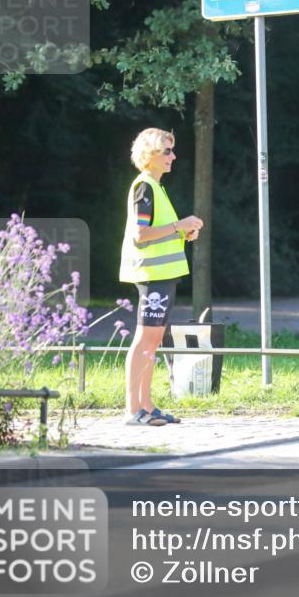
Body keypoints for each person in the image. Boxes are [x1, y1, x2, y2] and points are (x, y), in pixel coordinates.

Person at [119, 128, 203, 426]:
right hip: (152, 275)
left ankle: (147, 405)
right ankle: (133, 410)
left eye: (172, 150)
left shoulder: (156, 187)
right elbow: (141, 235)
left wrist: (183, 231)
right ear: (150, 154)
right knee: (145, 340)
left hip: (162, 275)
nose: (173, 156)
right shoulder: (144, 187)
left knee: (152, 342)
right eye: (166, 151)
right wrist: (180, 225)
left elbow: (159, 232)